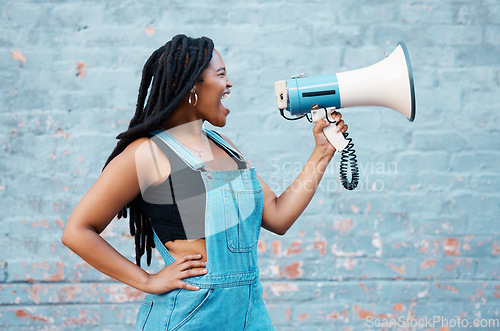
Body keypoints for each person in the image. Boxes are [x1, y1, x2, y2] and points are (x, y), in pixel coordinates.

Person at [61, 34, 348, 330]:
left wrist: (322, 152)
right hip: (192, 313)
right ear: (192, 86)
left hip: (250, 311)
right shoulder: (147, 153)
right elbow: (77, 231)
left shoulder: (224, 145)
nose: (229, 84)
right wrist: (147, 280)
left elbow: (278, 216)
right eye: (221, 74)